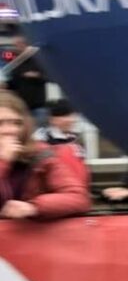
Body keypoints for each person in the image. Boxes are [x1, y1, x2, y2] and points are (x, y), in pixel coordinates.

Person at [0, 90, 90, 221]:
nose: (11, 130)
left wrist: (34, 207)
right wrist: (3, 162)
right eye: (0, 123)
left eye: (16, 123)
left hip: (25, 236)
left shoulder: (40, 154)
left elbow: (78, 197)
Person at [33, 98, 89, 185]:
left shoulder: (77, 138)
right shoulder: (41, 138)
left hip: (77, 185)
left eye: (72, 115)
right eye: (65, 116)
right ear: (52, 120)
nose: (71, 120)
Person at [5, 35, 48, 129]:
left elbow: (49, 78)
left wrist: (36, 75)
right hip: (22, 108)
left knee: (40, 135)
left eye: (20, 44)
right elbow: (14, 83)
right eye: (15, 45)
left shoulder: (39, 60)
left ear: (27, 44)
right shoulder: (16, 63)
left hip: (38, 107)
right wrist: (5, 85)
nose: (17, 47)